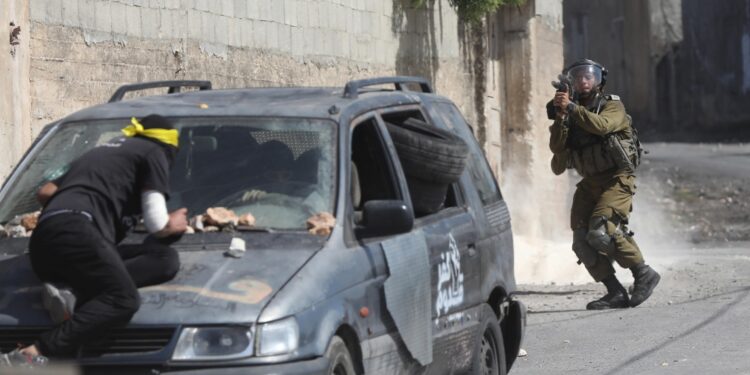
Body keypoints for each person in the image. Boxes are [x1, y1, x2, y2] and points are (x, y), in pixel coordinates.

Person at [0, 115, 188, 367]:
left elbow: (44, 192)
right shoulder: (153, 151)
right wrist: (172, 224)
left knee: (164, 259)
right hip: (78, 232)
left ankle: (73, 290)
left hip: (45, 243)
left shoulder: (102, 151)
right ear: (170, 146)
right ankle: (33, 354)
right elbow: (156, 222)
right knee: (123, 299)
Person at [547, 59, 660, 310]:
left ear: (599, 80)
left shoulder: (611, 106)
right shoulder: (570, 112)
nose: (584, 80)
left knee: (600, 231)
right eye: (579, 77)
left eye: (590, 76)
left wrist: (573, 109)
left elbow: (602, 127)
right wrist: (561, 116)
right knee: (581, 241)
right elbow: (557, 150)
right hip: (590, 183)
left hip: (617, 178)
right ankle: (614, 292)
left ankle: (643, 273)